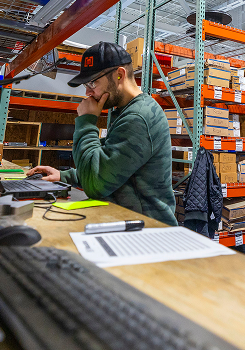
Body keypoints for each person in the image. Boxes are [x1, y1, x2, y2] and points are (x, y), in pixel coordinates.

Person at [28, 42, 177, 225]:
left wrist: (86, 122)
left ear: (119, 75)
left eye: (93, 83)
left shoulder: (138, 117)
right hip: (128, 222)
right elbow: (108, 167)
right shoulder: (127, 111)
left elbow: (96, 185)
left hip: (146, 232)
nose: (88, 92)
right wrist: (64, 176)